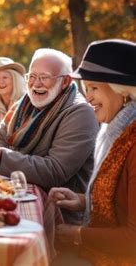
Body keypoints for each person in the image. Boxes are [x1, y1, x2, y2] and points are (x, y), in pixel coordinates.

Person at [0, 48, 99, 224]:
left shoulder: (80, 113)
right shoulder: (22, 105)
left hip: (61, 218)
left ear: (65, 81)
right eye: (32, 77)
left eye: (44, 77)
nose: (36, 84)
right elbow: (2, 146)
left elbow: (55, 171)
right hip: (18, 201)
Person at [49, 39, 136, 265]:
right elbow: (120, 203)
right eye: (86, 88)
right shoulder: (112, 132)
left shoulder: (132, 144)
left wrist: (77, 234)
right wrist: (82, 201)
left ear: (124, 92)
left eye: (94, 88)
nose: (88, 98)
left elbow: (132, 239)